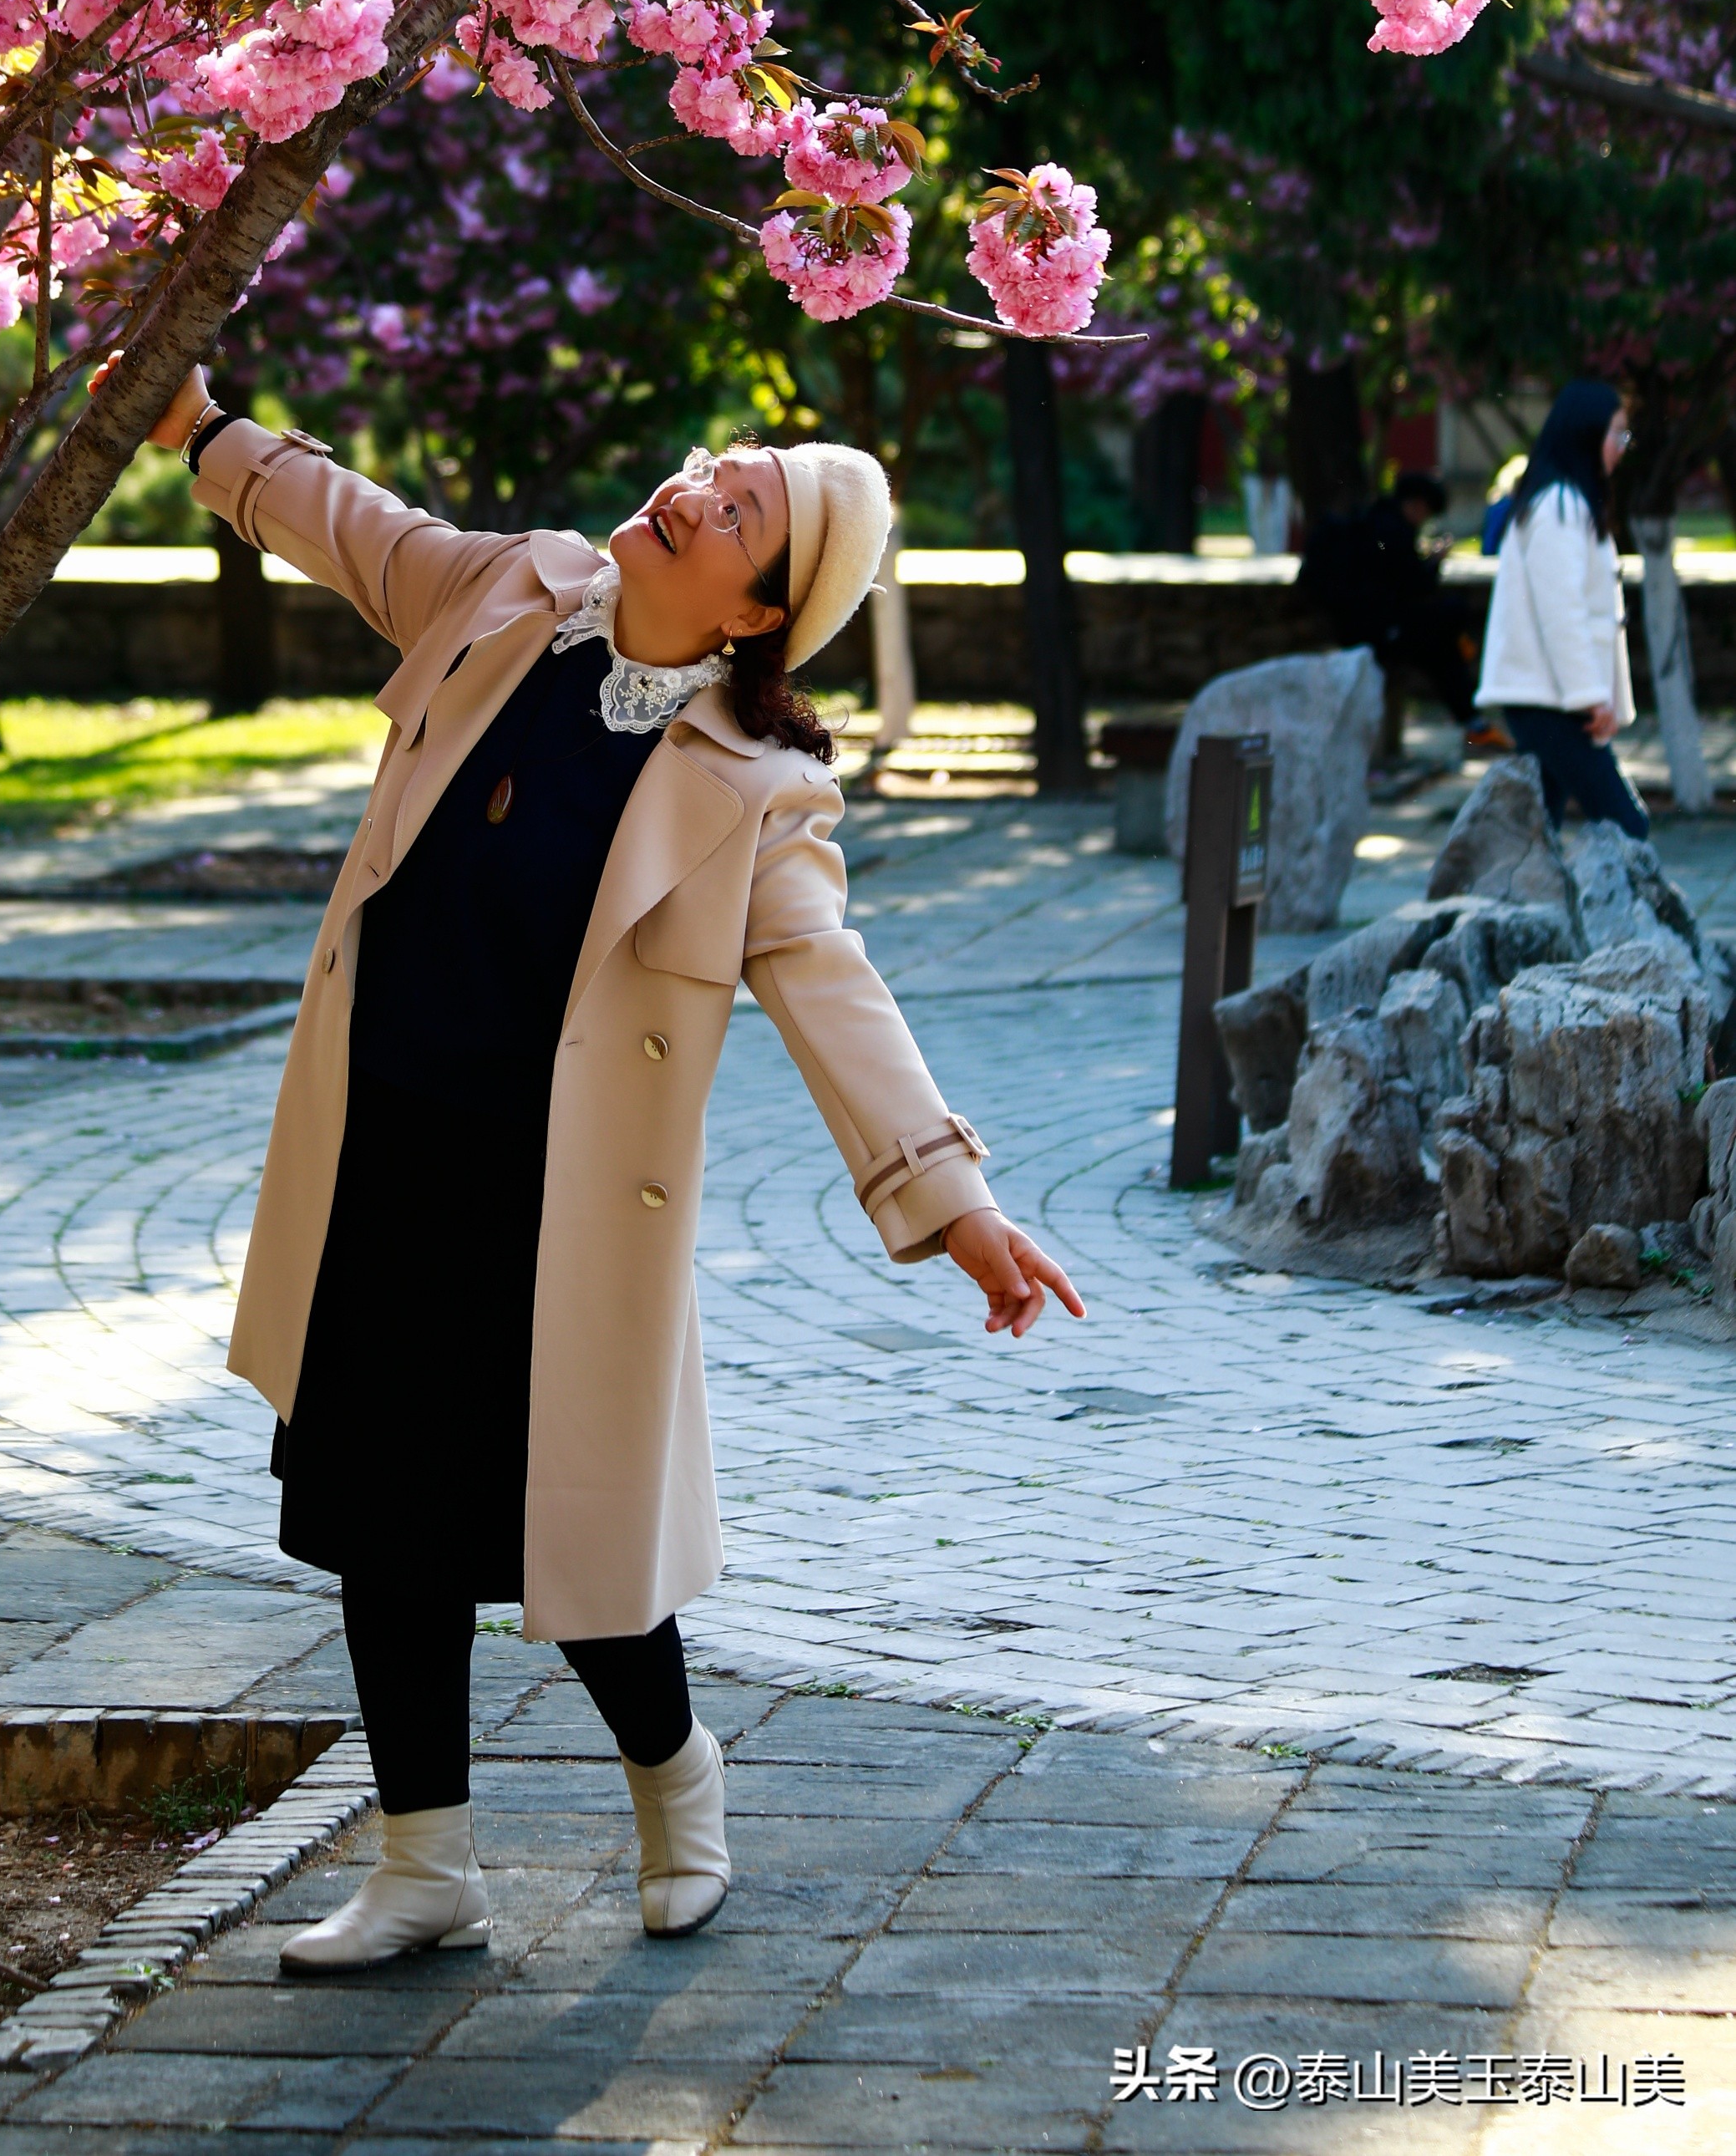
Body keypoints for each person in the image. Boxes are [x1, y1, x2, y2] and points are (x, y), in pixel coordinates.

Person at [122, 368, 1084, 1974]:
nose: (703, 484)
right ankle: (424, 1862)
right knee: (379, 1518)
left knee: (576, 1542)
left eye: (746, 507)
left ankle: (677, 1779)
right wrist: (203, 430)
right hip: (380, 1151)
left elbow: (834, 988)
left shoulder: (753, 788)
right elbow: (356, 528)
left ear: (757, 608)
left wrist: (951, 1197)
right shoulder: (514, 588)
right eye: (725, 462)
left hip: (555, 1204)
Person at [1478, 379, 1647, 836]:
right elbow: (1562, 613)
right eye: (1616, 433)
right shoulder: (1558, 506)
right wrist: (1590, 697)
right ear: (1587, 434)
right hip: (1549, 702)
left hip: (1550, 698)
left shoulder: (1566, 501)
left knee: (1541, 835)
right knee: (1626, 826)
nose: (1621, 446)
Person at [1297, 469, 1484, 729]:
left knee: (1442, 644)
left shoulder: (1375, 520)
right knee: (1447, 632)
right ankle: (1472, 720)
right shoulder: (1389, 531)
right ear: (1418, 505)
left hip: (1365, 622)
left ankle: (1471, 719)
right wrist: (1433, 562)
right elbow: (1412, 582)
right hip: (1375, 628)